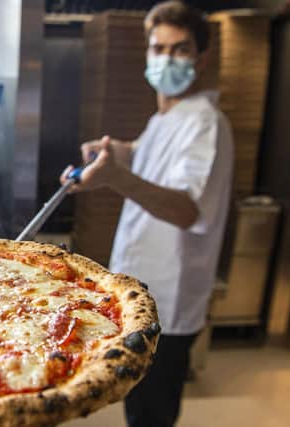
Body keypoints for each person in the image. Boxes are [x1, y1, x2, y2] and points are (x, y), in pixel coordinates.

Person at [60, 1, 233, 426]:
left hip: (169, 299)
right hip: (142, 286)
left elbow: (186, 207)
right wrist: (116, 151)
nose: (167, 58)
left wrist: (116, 177)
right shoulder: (167, 117)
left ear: (201, 57)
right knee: (137, 403)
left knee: (150, 413)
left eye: (180, 49)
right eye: (159, 48)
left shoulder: (205, 123)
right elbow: (148, 153)